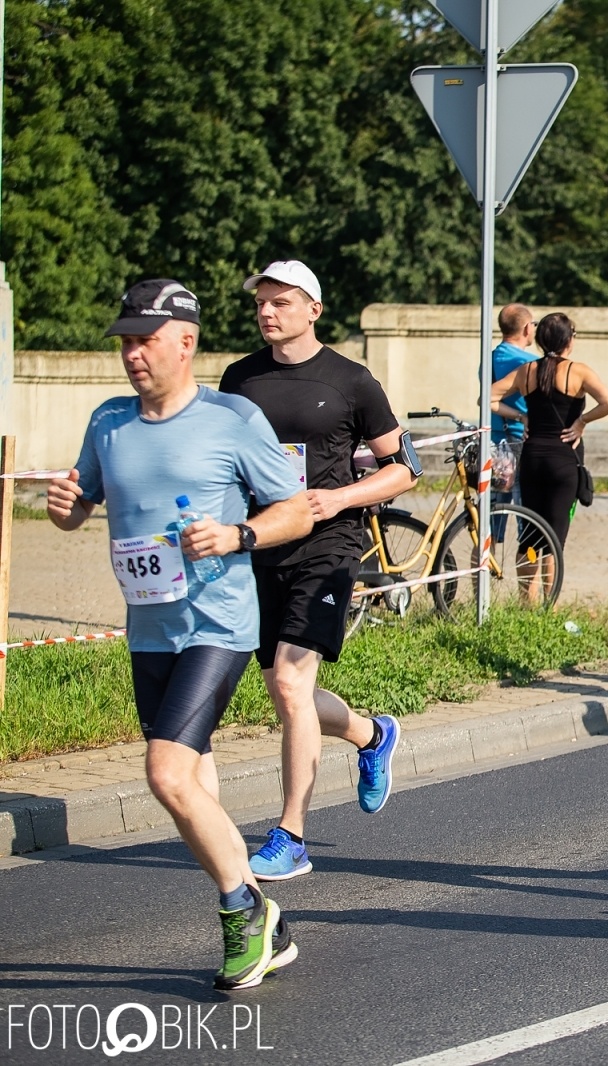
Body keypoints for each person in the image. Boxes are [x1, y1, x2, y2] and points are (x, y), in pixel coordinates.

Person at [49, 279, 312, 988]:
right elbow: (80, 509)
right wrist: (67, 507)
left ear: (185, 341)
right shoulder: (108, 422)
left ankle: (241, 915)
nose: (132, 353)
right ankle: (272, 922)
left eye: (146, 339)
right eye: (126, 341)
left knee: (165, 772)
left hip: (218, 624)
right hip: (149, 628)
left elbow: (297, 512)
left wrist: (237, 532)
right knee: (193, 782)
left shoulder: (232, 419)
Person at [221, 261, 418, 881]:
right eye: (261, 303)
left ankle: (292, 836)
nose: (266, 312)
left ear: (313, 309)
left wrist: (340, 497)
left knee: (287, 683)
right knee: (292, 693)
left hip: (329, 545)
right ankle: (370, 735)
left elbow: (405, 468)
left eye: (280, 302)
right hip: (262, 546)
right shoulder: (239, 378)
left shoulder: (350, 381)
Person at [491, 312, 608, 552]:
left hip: (532, 458)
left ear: (539, 340)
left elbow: (487, 398)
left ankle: (527, 591)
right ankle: (550, 590)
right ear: (569, 340)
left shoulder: (526, 371)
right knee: (553, 541)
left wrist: (521, 416)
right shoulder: (579, 371)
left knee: (529, 538)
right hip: (564, 460)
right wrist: (581, 421)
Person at [489, 303, 540, 516]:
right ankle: (524, 549)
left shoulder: (488, 359)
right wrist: (522, 416)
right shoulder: (531, 363)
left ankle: (484, 548)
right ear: (527, 328)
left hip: (495, 441)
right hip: (522, 439)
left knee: (493, 510)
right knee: (524, 510)